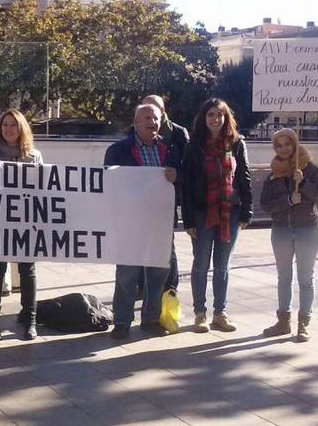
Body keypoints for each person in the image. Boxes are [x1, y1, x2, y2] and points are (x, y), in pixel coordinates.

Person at [105, 103, 180, 339]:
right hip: (130, 223)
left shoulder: (170, 150)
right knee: (127, 273)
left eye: (156, 118)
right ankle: (122, 321)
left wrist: (177, 177)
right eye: (146, 117)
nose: (152, 122)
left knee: (157, 274)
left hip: (160, 222)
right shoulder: (118, 150)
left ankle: (150, 319)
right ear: (136, 123)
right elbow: (108, 183)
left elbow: (183, 183)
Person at [181, 98, 252, 333]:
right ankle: (199, 313)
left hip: (229, 213)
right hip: (202, 214)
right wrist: (188, 219)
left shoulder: (237, 144)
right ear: (204, 118)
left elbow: (244, 177)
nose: (215, 119)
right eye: (210, 115)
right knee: (201, 264)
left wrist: (246, 211)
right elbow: (187, 184)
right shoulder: (194, 146)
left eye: (219, 115)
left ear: (226, 118)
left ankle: (219, 313)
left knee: (223, 266)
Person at [260, 128, 318, 342]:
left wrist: (305, 184)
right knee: (284, 277)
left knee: (305, 278)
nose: (284, 149)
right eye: (278, 145)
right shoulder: (273, 174)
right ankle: (283, 322)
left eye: (287, 143)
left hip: (306, 229)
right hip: (281, 230)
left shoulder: (309, 169)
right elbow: (265, 205)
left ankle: (303, 323)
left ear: (294, 144)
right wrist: (288, 200)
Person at [0, 109, 43, 341]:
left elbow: (40, 190)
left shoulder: (34, 157)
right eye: (4, 125)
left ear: (21, 128)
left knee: (27, 270)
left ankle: (30, 321)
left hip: (26, 222)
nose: (8, 129)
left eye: (13, 125)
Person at [142, 95, 189, 293]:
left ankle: (170, 286)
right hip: (142, 203)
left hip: (167, 201)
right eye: (146, 110)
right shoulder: (135, 131)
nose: (151, 117)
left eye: (155, 110)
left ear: (163, 112)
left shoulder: (179, 133)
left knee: (167, 244)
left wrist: (177, 176)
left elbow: (188, 166)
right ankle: (143, 286)